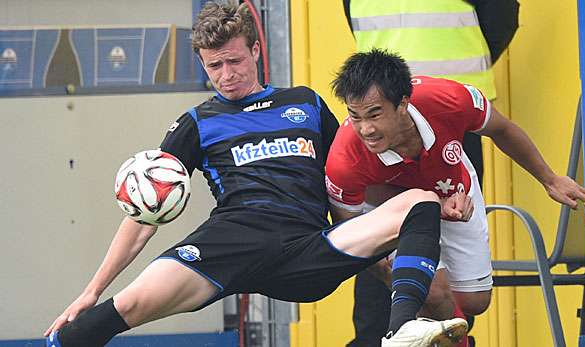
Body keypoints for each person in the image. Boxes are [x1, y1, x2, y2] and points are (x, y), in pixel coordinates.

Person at [43, 3, 468, 347]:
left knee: (420, 201)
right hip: (228, 244)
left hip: (306, 247)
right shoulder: (197, 121)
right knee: (119, 309)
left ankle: (400, 334)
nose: (227, 75)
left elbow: (352, 175)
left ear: (256, 52)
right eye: (214, 66)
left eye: (234, 60)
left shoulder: (305, 103)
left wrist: (397, 232)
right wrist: (92, 289)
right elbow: (143, 216)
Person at [327, 49, 585, 346]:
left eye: (375, 114)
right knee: (433, 292)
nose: (366, 129)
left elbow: (502, 129)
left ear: (403, 103)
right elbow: (349, 231)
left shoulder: (449, 99)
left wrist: (550, 178)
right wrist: (383, 272)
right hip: (385, 211)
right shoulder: (344, 157)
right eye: (355, 116)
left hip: (454, 190)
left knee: (473, 303)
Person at [341, 1, 519, 345]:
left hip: (451, 117)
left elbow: (500, 20)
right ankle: (383, 338)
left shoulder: (449, 100)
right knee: (383, 246)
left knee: (452, 250)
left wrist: (439, 91)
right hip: (381, 124)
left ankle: (449, 336)